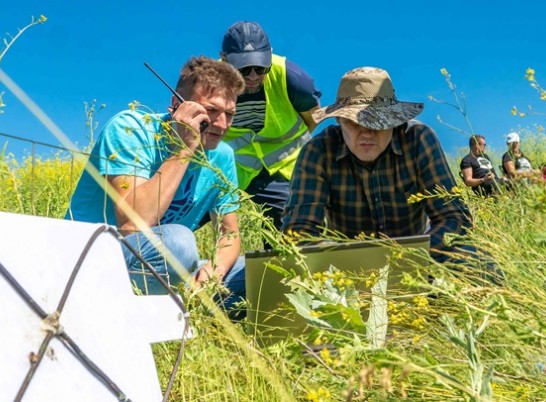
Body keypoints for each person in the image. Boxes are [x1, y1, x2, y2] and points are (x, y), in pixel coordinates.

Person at [66, 56, 246, 306]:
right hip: (94, 259)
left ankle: (185, 314)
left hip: (164, 266)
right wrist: (184, 149)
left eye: (230, 114)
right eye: (212, 111)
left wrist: (208, 278)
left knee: (252, 271)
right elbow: (132, 225)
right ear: (176, 105)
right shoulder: (129, 129)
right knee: (179, 243)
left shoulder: (223, 157)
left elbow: (229, 234)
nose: (222, 124)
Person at [282, 67, 472, 263]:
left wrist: (410, 258)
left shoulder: (418, 140)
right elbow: (298, 232)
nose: (366, 133)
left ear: (394, 120)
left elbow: (455, 218)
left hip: (420, 261)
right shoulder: (318, 151)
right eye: (354, 123)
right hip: (346, 271)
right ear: (339, 120)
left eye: (377, 122)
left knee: (476, 258)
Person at [219, 21, 321, 233]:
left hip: (282, 171)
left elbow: (313, 117)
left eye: (260, 67)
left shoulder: (293, 78)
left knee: (292, 231)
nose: (253, 76)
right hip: (231, 170)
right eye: (243, 69)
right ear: (223, 60)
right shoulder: (207, 82)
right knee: (181, 210)